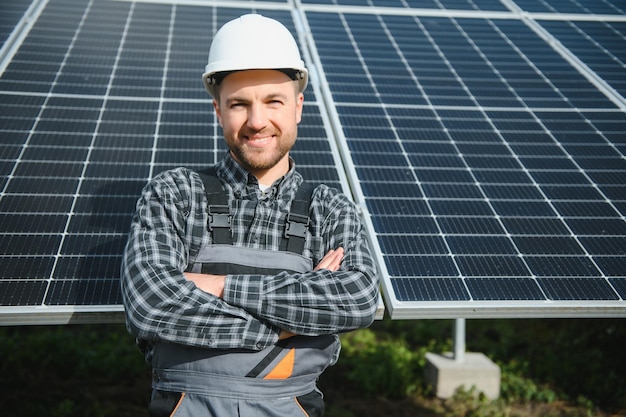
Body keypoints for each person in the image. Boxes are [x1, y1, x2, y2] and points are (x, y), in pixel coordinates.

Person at [121, 13, 379, 417]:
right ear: (218, 110)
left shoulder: (329, 208)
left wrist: (218, 286)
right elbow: (151, 303)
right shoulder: (174, 193)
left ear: (298, 106)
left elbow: (356, 299)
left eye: (273, 101)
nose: (257, 121)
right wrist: (291, 322)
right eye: (239, 104)